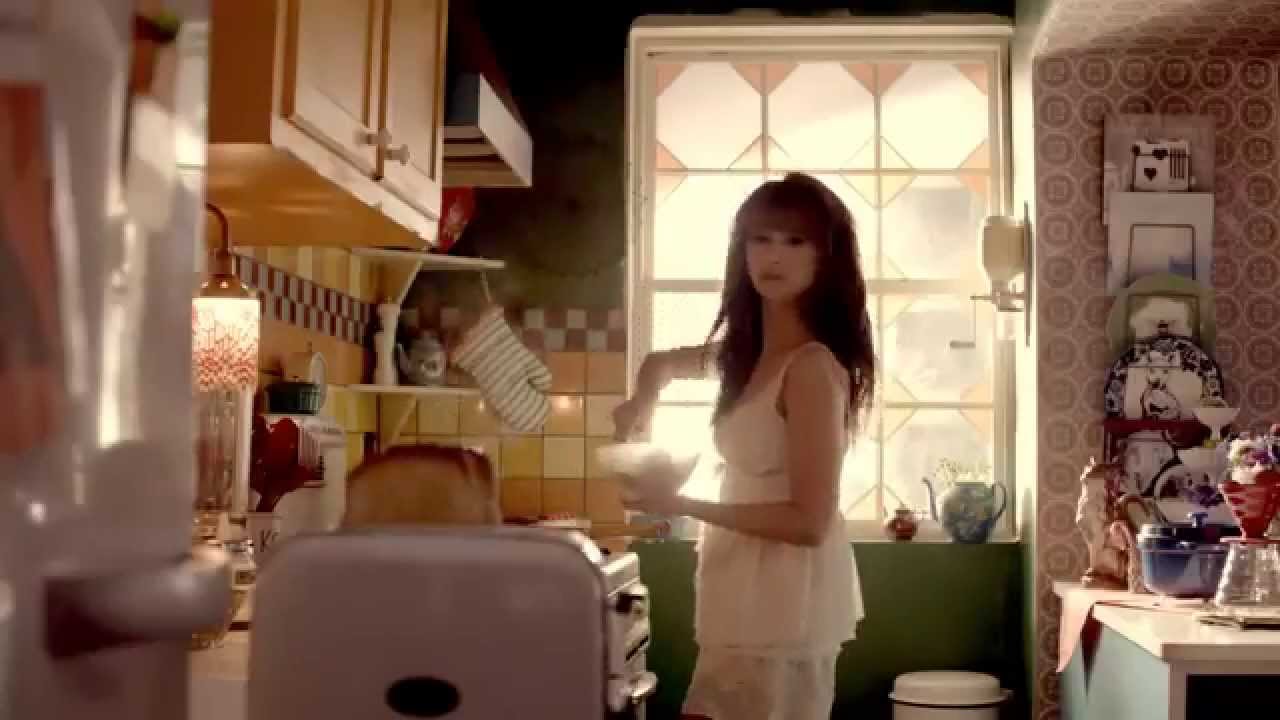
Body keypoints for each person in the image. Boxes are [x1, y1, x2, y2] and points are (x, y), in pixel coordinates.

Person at [613, 173, 874, 720]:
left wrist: (680, 503)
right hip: (738, 597)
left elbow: (810, 522)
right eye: (761, 238)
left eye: (795, 240)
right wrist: (640, 406)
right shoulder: (746, 355)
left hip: (785, 607)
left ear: (826, 257)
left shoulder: (811, 369)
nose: (773, 255)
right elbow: (660, 364)